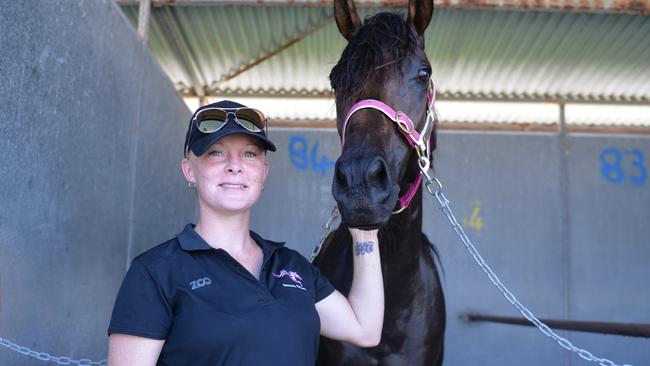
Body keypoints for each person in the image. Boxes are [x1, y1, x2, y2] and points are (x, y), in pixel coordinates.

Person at [107, 100, 384, 365]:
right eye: (216, 152)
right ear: (189, 170)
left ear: (263, 172)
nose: (234, 165)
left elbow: (364, 328)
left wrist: (365, 231)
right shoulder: (155, 273)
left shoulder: (291, 265)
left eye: (249, 153)